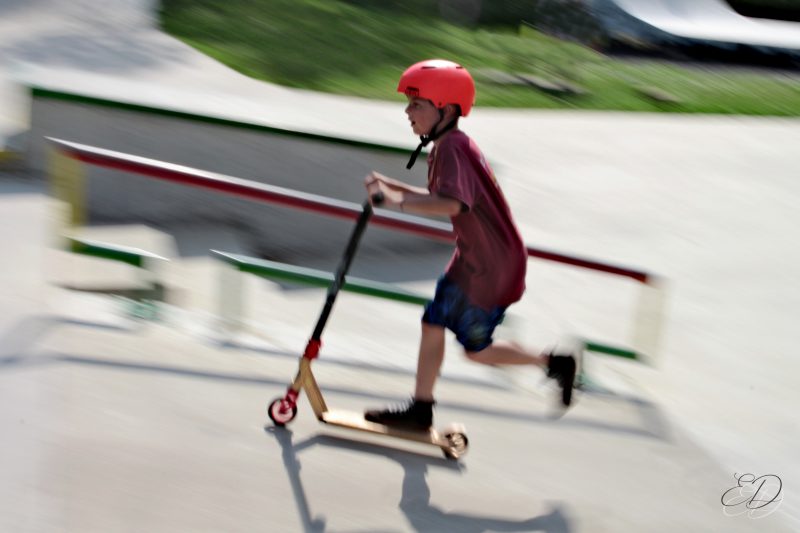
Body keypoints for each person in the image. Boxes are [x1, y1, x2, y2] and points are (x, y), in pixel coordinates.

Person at [364, 59, 576, 430]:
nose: (407, 111)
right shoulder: (452, 144)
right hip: (474, 261)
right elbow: (448, 196)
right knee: (433, 322)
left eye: (417, 104)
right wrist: (396, 188)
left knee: (476, 352)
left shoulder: (451, 149)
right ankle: (421, 409)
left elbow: (452, 204)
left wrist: (393, 202)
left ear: (443, 109)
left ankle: (554, 362)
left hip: (492, 268)